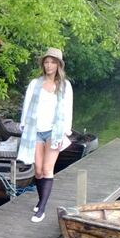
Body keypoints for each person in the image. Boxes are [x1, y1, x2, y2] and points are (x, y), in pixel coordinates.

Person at [17, 47, 73, 223]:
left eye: (53, 62)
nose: (49, 66)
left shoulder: (65, 85)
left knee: (48, 169)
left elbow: (68, 109)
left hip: (54, 132)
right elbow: (27, 105)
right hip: (35, 131)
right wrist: (24, 126)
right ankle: (41, 200)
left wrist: (66, 131)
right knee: (39, 170)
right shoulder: (35, 83)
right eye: (46, 62)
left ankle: (41, 209)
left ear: (58, 65)